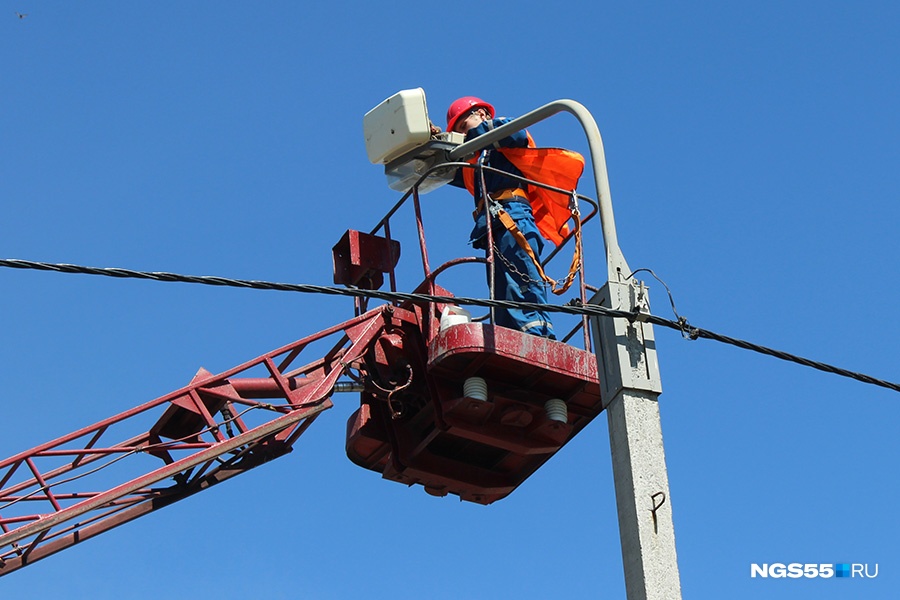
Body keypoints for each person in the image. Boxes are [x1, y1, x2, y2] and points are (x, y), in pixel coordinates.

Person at [445, 96, 557, 339]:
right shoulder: (476, 159)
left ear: (483, 114)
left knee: (522, 279)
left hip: (513, 216)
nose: (464, 135)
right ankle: (511, 337)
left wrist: (475, 135)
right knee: (502, 290)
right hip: (492, 226)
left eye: (465, 126)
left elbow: (516, 134)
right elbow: (445, 168)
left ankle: (539, 336)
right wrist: (432, 143)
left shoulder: (504, 129)